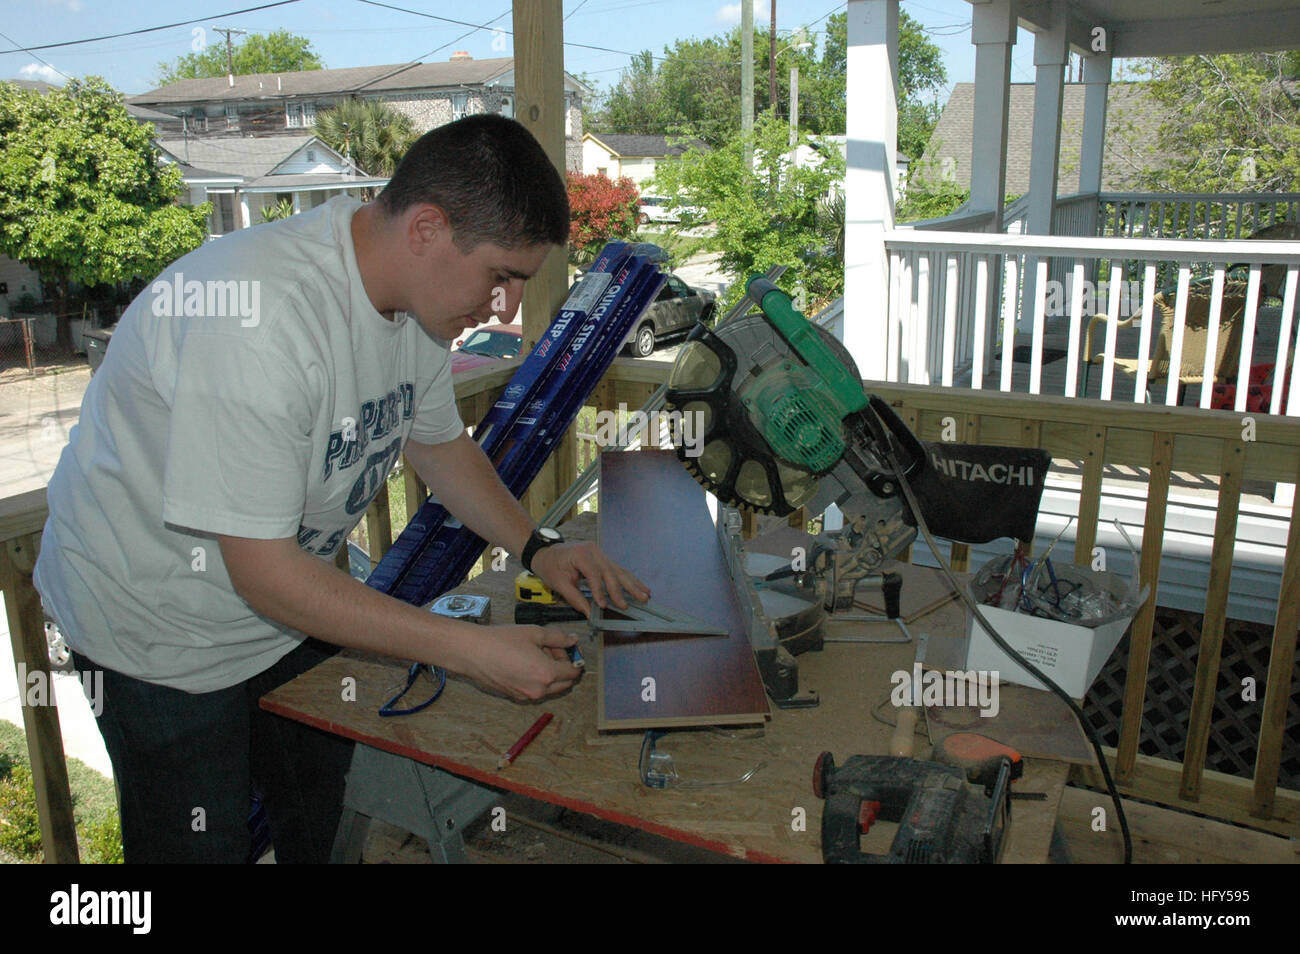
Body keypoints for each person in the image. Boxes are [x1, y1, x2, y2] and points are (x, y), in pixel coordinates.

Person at [34, 114, 647, 863]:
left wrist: (537, 546)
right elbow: (265, 576)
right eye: (502, 276)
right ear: (426, 227)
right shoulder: (260, 321)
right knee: (202, 842)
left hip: (279, 610)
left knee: (320, 797)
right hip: (156, 630)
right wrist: (470, 651)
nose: (508, 310)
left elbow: (443, 449)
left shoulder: (413, 307)